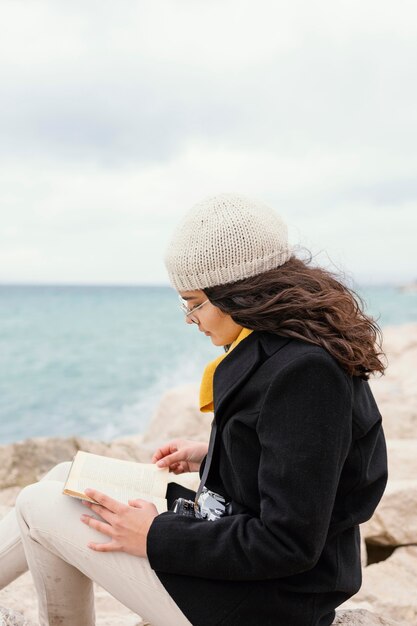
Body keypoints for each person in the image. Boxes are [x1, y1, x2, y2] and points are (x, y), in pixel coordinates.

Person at [0, 193, 388, 626]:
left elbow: (288, 542)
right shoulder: (289, 346)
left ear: (240, 292)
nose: (189, 318)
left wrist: (153, 535)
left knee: (39, 503)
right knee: (65, 480)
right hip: (239, 556)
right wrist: (217, 451)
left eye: (194, 302)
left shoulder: (305, 372)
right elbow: (308, 456)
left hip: (263, 603)